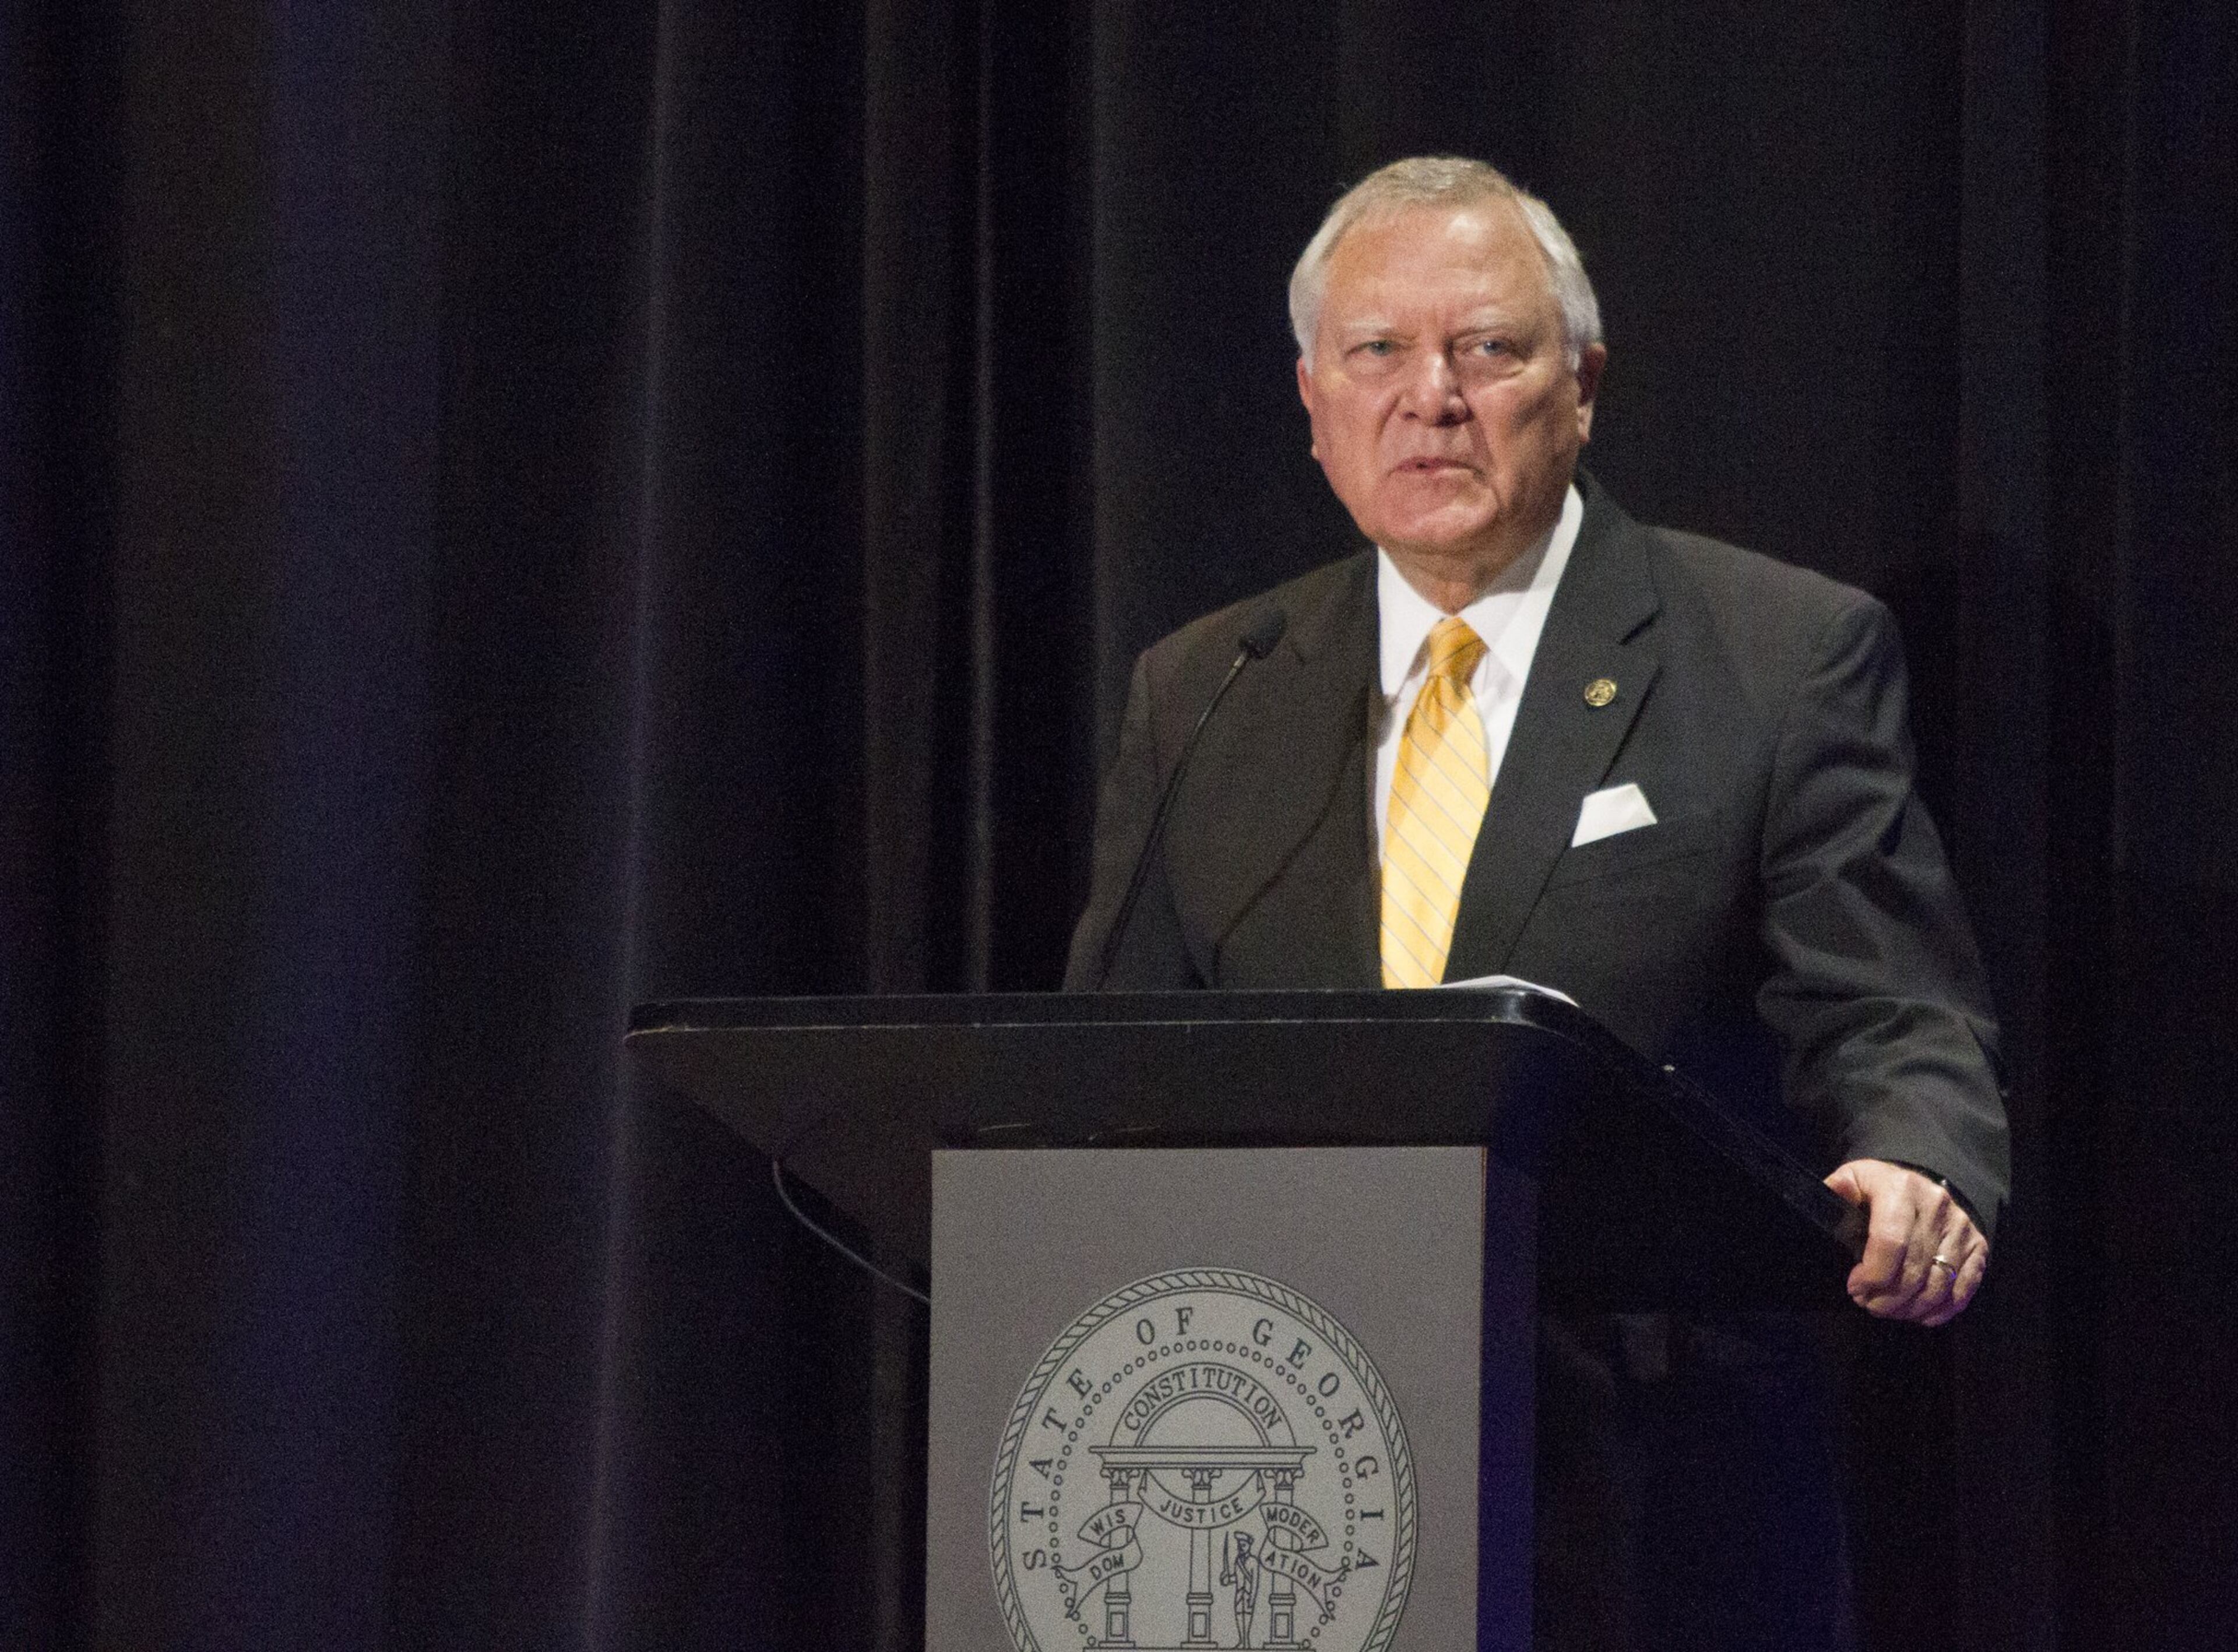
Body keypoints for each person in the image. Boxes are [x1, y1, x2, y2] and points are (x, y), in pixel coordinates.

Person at [1064, 156, 2010, 1649]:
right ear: (1312, 402)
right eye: (1378, 351)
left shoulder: (1777, 654)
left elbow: (1890, 1000)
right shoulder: (1209, 689)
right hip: (1284, 1478)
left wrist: (1916, 1155)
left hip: (1653, 1485)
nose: (1429, 397)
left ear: (1583, 386)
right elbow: (1109, 1067)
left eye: (1489, 348)